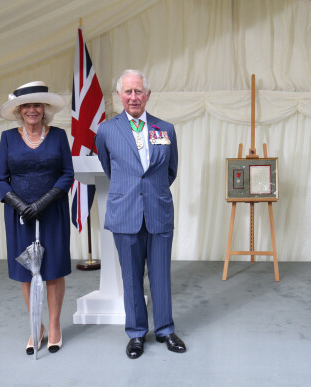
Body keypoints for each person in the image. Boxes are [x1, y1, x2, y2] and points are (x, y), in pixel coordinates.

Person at [95, 69, 185, 359]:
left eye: (138, 92)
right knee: (131, 277)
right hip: (125, 213)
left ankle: (165, 329)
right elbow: (110, 169)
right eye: (128, 92)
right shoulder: (107, 131)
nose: (133, 97)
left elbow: (170, 170)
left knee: (161, 275)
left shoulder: (165, 129)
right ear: (120, 95)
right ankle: (135, 333)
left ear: (148, 95)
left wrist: (150, 192)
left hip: (158, 211)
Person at [0, 81, 74, 355]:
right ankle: (35, 327)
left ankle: (53, 326)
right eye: (26, 105)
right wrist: (20, 205)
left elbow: (67, 173)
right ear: (19, 110)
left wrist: (43, 202)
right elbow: (0, 180)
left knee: (52, 269)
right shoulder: (7, 138)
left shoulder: (59, 136)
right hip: (19, 216)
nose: (32, 110)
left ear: (45, 108)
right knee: (27, 272)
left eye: (36, 104)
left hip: (53, 212)